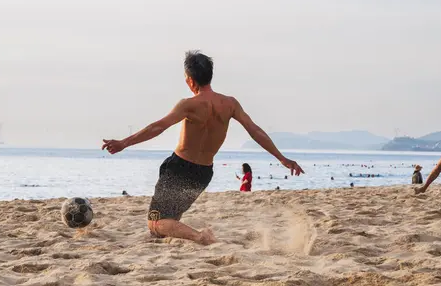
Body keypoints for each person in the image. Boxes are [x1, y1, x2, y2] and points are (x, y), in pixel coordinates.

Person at [102, 51, 304, 245]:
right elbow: (255, 131)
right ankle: (179, 237)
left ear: (190, 80)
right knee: (170, 217)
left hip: (179, 167)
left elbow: (158, 127)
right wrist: (281, 158)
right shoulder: (230, 104)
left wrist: (124, 143)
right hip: (204, 173)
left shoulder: (189, 104)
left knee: (155, 222)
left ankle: (200, 238)